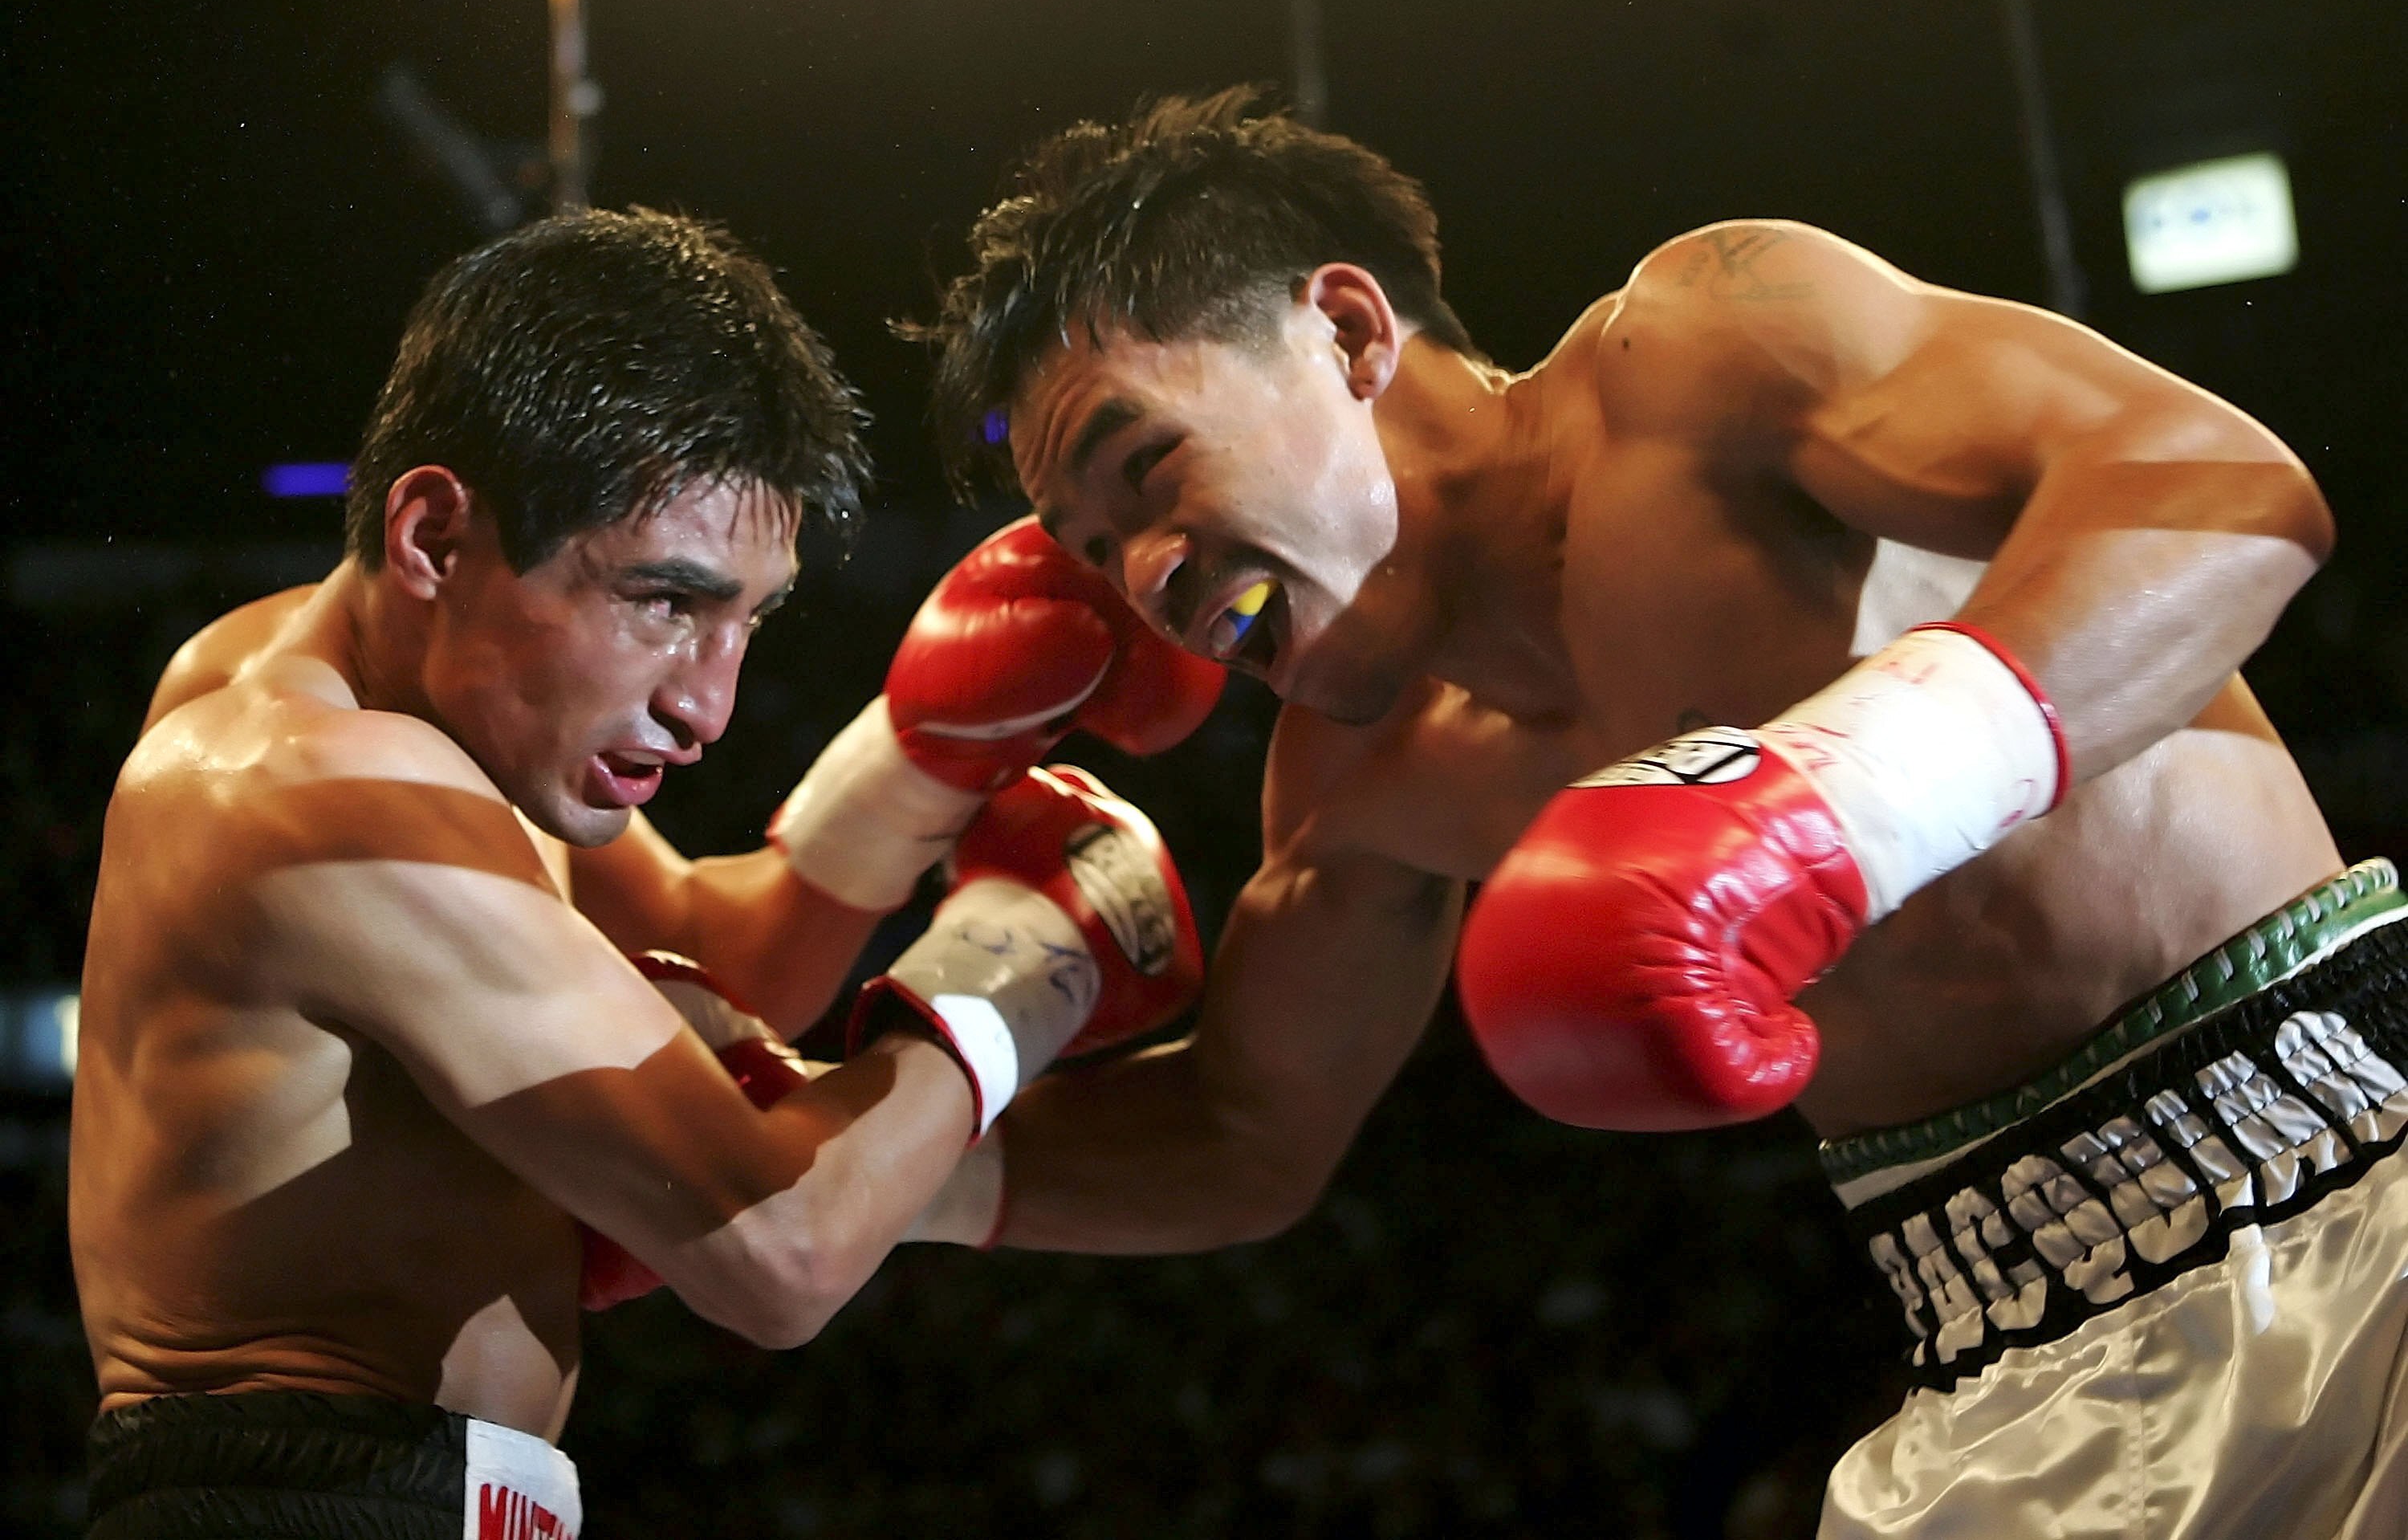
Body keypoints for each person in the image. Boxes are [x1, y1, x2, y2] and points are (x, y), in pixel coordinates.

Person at [893, 88, 2407, 1535]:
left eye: (1148, 467)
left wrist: (1838, 799)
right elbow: (1242, 1139)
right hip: (2016, 1392)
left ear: (1348, 330)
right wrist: (832, 1158)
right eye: (1096, 555)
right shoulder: (1359, 786)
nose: (1150, 582)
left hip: (2370, 1197)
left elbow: (2220, 487)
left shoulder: (1703, 353)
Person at [68, 206, 1212, 1539]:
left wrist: (922, 764)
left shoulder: (414, 714)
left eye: (747, 618)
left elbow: (713, 952)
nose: (709, 706)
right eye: (665, 601)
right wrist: (1028, 955)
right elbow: (782, 1250)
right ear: (434, 537)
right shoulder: (321, 790)